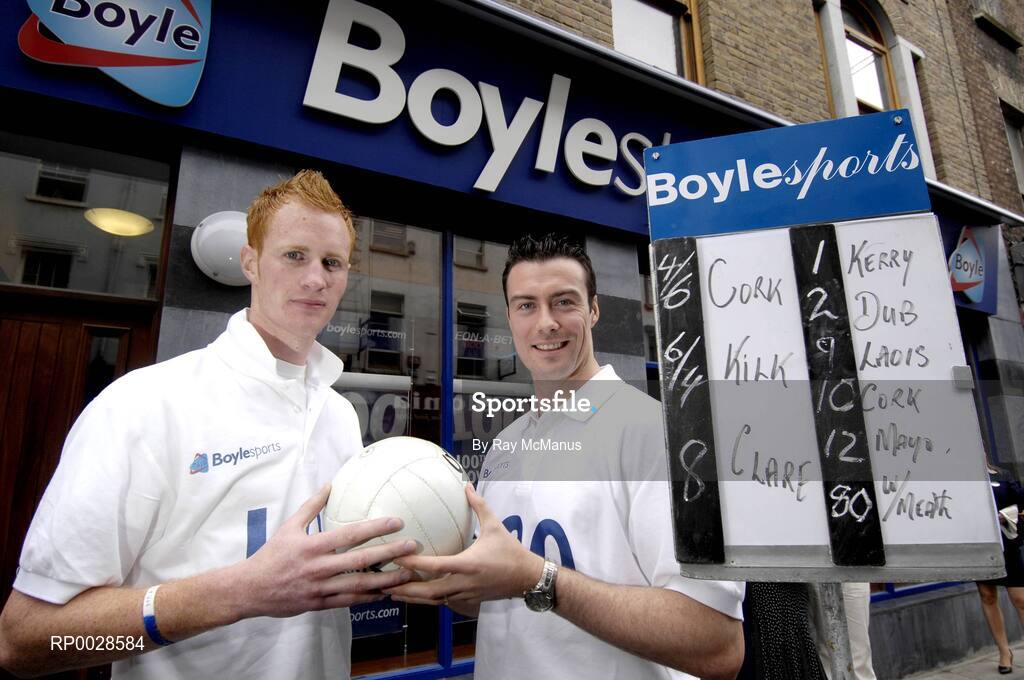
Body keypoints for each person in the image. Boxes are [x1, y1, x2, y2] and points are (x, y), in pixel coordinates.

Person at [0, 170, 417, 678]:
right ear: (250, 263)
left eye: (333, 262)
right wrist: (241, 592)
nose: (315, 278)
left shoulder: (339, 414)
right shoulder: (145, 404)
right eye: (294, 255)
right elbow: (25, 638)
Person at [388, 233, 745, 679]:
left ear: (593, 310)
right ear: (510, 318)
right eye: (526, 305)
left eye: (564, 302)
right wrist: (441, 581)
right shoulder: (507, 444)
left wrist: (538, 579)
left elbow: (716, 642)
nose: (546, 323)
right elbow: (495, 599)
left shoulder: (660, 436)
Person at [976, 461, 1024, 675]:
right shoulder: (962, 479)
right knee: (987, 595)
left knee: (1020, 599)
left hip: (1007, 543)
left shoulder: (1002, 474)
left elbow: (1021, 502)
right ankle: (1004, 652)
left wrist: (1003, 516)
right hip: (979, 545)